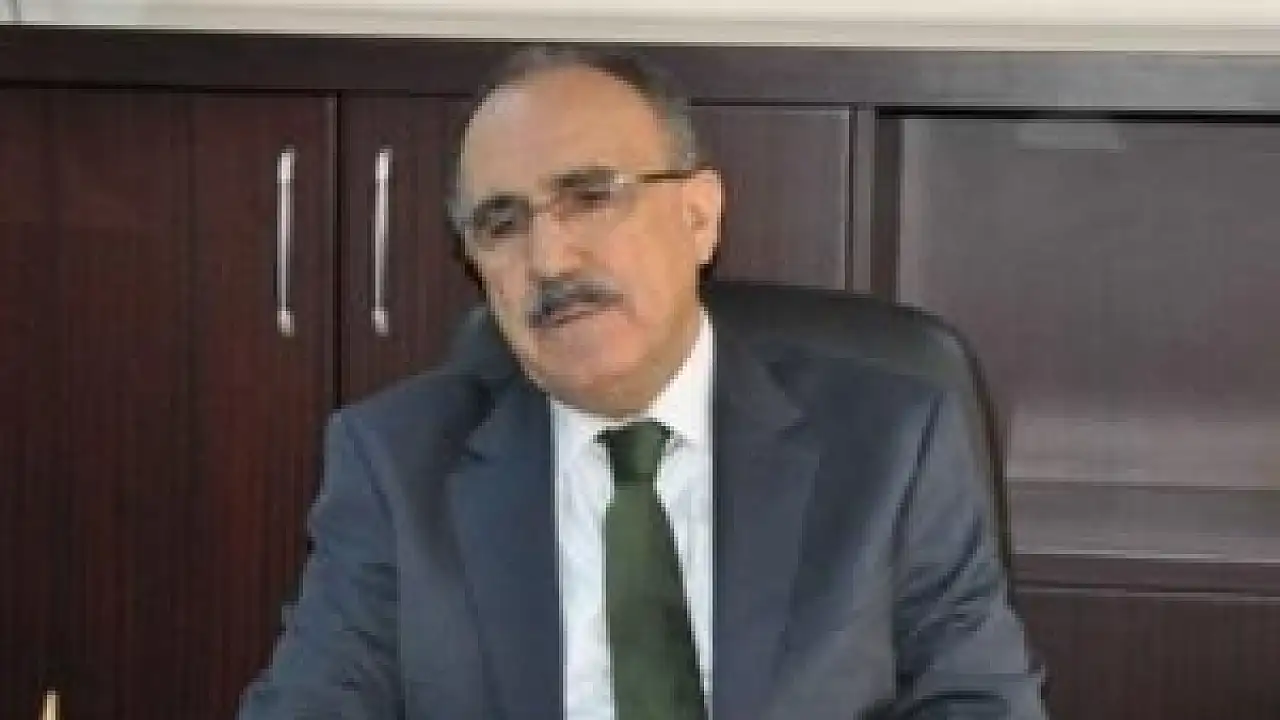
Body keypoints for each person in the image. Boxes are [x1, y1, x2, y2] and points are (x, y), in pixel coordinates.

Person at [239, 45, 1047, 720]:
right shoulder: (396, 464)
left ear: (699, 216)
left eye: (590, 197)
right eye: (502, 223)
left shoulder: (890, 444)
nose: (549, 259)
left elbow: (980, 705)